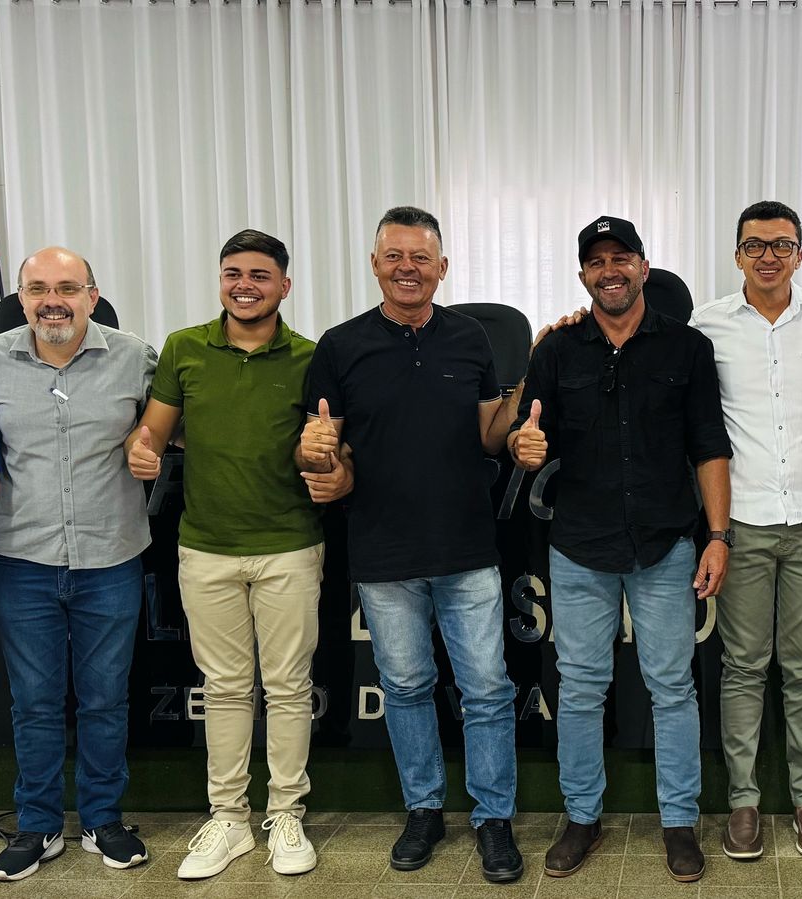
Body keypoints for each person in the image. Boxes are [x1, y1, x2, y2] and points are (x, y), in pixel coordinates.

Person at [301, 206, 526, 883]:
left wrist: (526, 385)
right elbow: (323, 447)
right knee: (404, 686)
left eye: (421, 257)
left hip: (468, 547)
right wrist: (319, 455)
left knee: (486, 689)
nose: (408, 268)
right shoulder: (339, 346)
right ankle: (424, 809)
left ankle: (493, 817)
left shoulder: (470, 337)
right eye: (395, 256)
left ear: (442, 267)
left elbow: (489, 436)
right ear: (375, 264)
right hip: (384, 551)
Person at [510, 215, 732, 883]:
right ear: (583, 274)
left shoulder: (687, 348)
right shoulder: (555, 348)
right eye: (597, 260)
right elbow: (526, 433)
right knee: (580, 688)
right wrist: (525, 445)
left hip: (666, 544)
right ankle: (582, 817)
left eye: (622, 257)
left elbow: (710, 446)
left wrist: (718, 535)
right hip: (581, 546)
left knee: (673, 687)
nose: (610, 269)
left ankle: (679, 822)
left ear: (643, 266)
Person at [127, 230, 348, 880]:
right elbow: (152, 432)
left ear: (284, 285)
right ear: (220, 280)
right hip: (206, 548)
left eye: (258, 275)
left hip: (289, 546)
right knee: (223, 688)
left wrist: (327, 454)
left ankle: (285, 814)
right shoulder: (184, 347)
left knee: (288, 687)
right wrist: (140, 448)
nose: (244, 285)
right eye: (233, 273)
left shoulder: (312, 356)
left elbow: (334, 449)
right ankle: (228, 818)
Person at [0, 247, 157, 880]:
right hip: (21, 558)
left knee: (105, 700)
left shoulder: (135, 357)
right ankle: (38, 824)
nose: (54, 300)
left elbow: (170, 428)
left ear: (91, 296)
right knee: (35, 703)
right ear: (21, 298)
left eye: (68, 288)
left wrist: (147, 444)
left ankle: (104, 819)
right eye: (39, 289)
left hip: (111, 556)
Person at [689, 201, 802, 860]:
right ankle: (744, 801)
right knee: (744, 666)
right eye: (754, 245)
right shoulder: (708, 324)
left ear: (799, 254)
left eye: (781, 245)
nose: (768, 256)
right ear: (737, 255)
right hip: (743, 520)